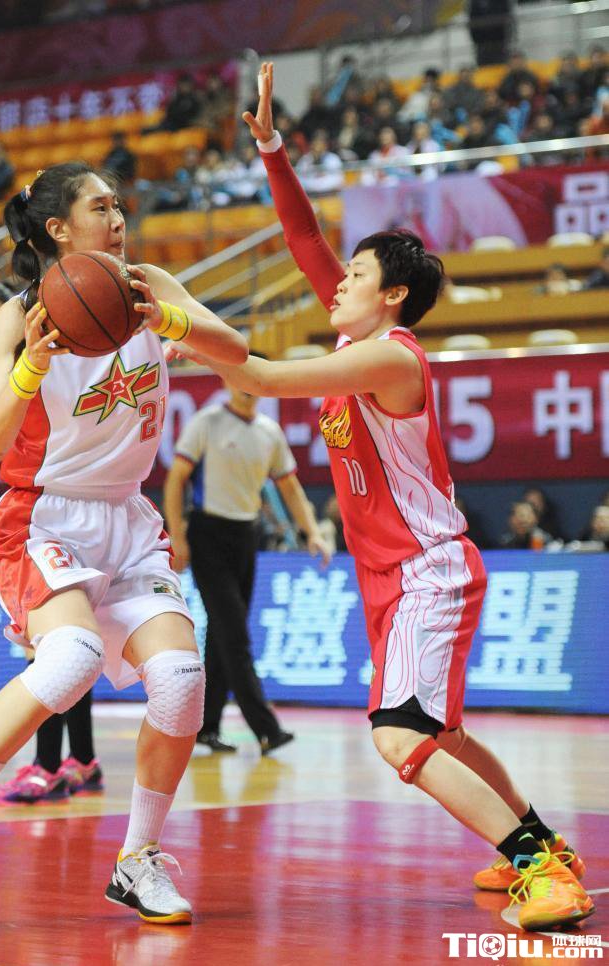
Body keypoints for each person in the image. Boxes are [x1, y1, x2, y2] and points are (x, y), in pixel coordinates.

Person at [170, 62, 594, 933]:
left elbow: (262, 375)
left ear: (391, 294)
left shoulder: (391, 357)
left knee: (398, 735)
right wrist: (273, 149)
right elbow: (302, 240)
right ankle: (544, 846)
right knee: (442, 735)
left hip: (426, 571)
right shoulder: (354, 337)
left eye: (355, 273)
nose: (336, 281)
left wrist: (177, 319)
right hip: (393, 578)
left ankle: (545, 877)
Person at [0, 161, 248, 924]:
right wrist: (32, 367)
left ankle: (137, 860)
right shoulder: (20, 316)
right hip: (45, 517)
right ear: (58, 228)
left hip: (128, 517)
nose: (118, 219)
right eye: (100, 207)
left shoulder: (148, 285)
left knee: (182, 678)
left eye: (119, 206)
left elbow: (237, 350)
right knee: (72, 658)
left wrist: (168, 321)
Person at [0, 280, 105, 804]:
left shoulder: (39, 363)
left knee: (53, 652)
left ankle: (47, 765)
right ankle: (81, 759)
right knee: (70, 651)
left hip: (54, 510)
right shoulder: (5, 372)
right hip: (59, 508)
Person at [163, 363, 332, 754]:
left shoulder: (270, 432)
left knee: (224, 635)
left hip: (245, 535)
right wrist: (178, 537)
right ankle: (266, 729)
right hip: (207, 534)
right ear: (227, 380)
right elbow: (175, 481)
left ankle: (206, 727)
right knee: (234, 633)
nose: (247, 388)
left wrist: (311, 532)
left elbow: (290, 488)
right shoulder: (206, 423)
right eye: (239, 379)